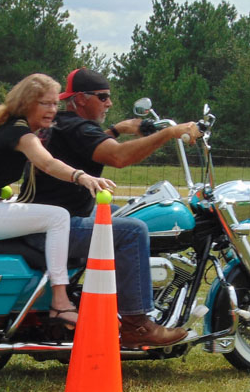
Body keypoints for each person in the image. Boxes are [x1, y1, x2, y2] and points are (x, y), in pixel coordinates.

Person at [30, 67, 202, 348]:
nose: (109, 103)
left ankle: (123, 299)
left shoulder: (62, 123)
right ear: (81, 99)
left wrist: (117, 130)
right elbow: (118, 157)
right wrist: (169, 133)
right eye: (103, 97)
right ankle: (137, 324)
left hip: (51, 216)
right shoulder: (78, 128)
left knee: (123, 212)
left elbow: (87, 145)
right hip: (57, 225)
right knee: (133, 231)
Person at [0, 73, 113, 330]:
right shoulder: (20, 133)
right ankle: (60, 302)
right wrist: (82, 177)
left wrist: (117, 131)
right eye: (45, 103)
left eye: (55, 103)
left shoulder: (14, 129)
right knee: (58, 216)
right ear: (26, 104)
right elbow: (47, 163)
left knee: (49, 214)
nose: (52, 110)